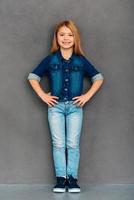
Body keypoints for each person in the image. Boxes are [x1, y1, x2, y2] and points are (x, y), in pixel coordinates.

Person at [27, 20, 104, 193]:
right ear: (56, 38)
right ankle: (61, 180)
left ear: (75, 38)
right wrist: (42, 95)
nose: (66, 38)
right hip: (55, 108)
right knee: (59, 144)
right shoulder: (50, 59)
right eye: (62, 34)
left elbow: (98, 78)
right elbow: (33, 77)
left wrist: (87, 96)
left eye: (70, 34)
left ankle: (73, 179)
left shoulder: (81, 61)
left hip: (75, 108)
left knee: (73, 144)